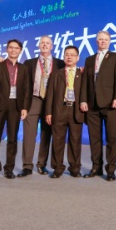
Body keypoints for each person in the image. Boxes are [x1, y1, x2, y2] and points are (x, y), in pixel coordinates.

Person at [80, 30, 116, 181]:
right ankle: (96, 167)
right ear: (96, 41)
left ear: (109, 41)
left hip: (110, 103)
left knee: (111, 138)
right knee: (94, 138)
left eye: (105, 39)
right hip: (92, 104)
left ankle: (110, 169)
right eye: (100, 39)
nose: (103, 41)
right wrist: (83, 100)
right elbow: (85, 82)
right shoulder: (89, 59)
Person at [18, 35, 64, 177]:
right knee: (29, 134)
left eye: (47, 43)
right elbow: (22, 82)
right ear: (38, 45)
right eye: (42, 43)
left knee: (46, 134)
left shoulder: (60, 63)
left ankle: (41, 165)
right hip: (33, 100)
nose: (44, 45)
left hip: (51, 103)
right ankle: (27, 166)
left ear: (52, 46)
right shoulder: (29, 63)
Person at [0, 39, 31, 180]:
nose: (13, 50)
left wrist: (25, 108)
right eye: (11, 47)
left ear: (20, 50)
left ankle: (9, 169)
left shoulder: (23, 68)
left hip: (15, 107)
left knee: (12, 139)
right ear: (7, 49)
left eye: (16, 48)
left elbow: (26, 90)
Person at [44, 45, 85, 178]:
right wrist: (48, 112)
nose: (69, 57)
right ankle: (57, 167)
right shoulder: (57, 73)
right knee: (57, 140)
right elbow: (50, 94)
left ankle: (75, 168)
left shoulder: (82, 74)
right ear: (63, 57)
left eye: (72, 55)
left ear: (78, 58)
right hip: (59, 109)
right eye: (67, 54)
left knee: (75, 141)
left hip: (76, 110)